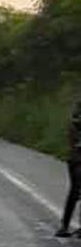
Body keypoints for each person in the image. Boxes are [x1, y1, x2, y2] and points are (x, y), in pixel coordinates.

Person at [55, 99, 81, 238]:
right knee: (75, 191)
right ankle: (64, 226)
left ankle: (65, 226)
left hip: (75, 157)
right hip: (77, 158)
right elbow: (72, 134)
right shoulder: (77, 113)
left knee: (76, 191)